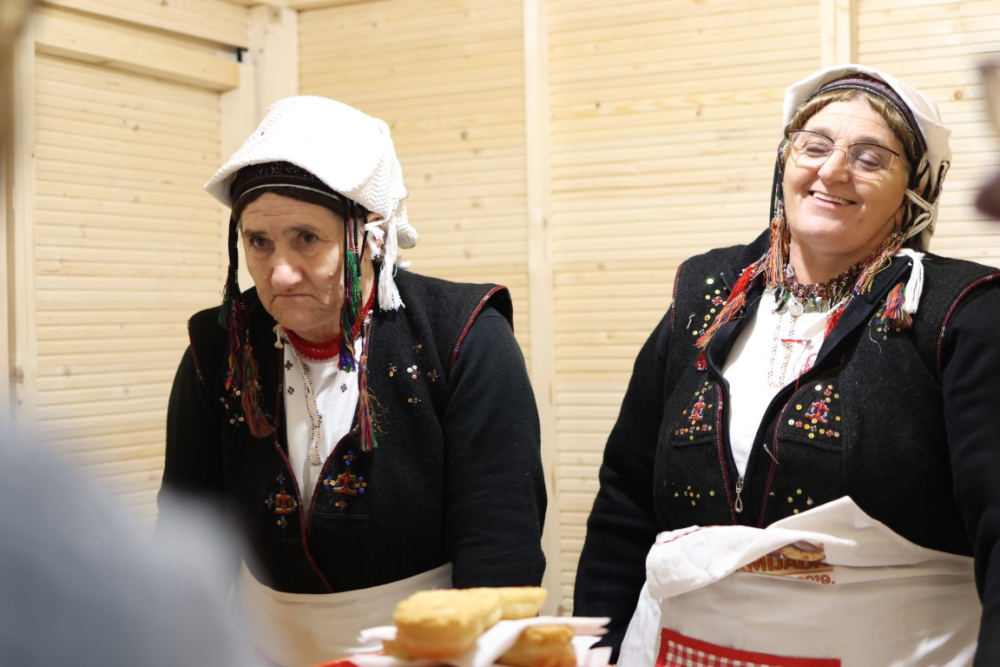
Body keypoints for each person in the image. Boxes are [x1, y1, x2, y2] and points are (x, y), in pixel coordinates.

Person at [573, 64, 1000, 666]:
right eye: (815, 146)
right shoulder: (707, 293)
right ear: (784, 159)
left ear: (915, 191)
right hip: (679, 650)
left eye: (871, 157)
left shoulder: (960, 314)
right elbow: (624, 500)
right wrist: (597, 650)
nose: (831, 171)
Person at [159, 96, 547, 666]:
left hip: (428, 652)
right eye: (258, 242)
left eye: (306, 239)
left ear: (371, 235)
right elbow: (187, 543)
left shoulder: (462, 339)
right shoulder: (220, 348)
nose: (279, 272)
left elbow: (500, 552)